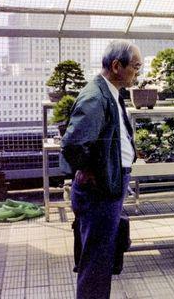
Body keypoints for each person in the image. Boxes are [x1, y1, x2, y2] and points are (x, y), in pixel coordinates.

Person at [61, 40, 142, 299]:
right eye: (135, 67)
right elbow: (73, 144)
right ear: (117, 66)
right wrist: (88, 171)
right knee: (96, 260)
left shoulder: (110, 92)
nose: (137, 73)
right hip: (99, 191)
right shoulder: (96, 97)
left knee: (101, 256)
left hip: (109, 184)